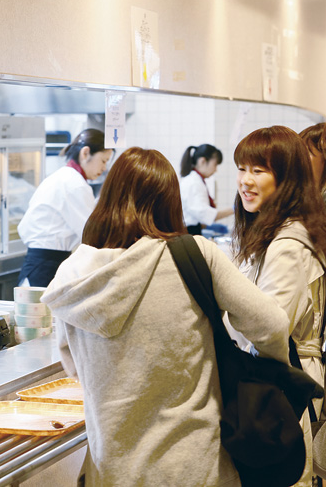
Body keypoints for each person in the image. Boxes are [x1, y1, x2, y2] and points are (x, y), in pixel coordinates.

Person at [40, 147, 289, 486]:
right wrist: (267, 368)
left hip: (113, 469)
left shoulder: (72, 274)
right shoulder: (195, 254)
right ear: (169, 202)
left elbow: (72, 364)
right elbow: (272, 324)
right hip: (194, 465)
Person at [231, 125, 326, 487]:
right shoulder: (273, 233)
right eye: (242, 168)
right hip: (282, 385)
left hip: (283, 388)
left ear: (287, 178)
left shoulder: (287, 244)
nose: (246, 180)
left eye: (259, 171)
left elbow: (271, 326)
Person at [17, 129, 112, 287]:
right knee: (42, 312)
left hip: (43, 263)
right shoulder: (74, 183)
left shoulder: (64, 177)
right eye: (103, 160)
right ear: (85, 153)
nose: (104, 168)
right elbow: (92, 234)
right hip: (45, 268)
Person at [179, 144, 234, 235]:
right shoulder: (193, 182)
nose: (215, 170)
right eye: (215, 164)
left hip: (193, 229)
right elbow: (204, 213)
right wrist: (234, 209)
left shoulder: (196, 180)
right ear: (202, 161)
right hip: (189, 232)